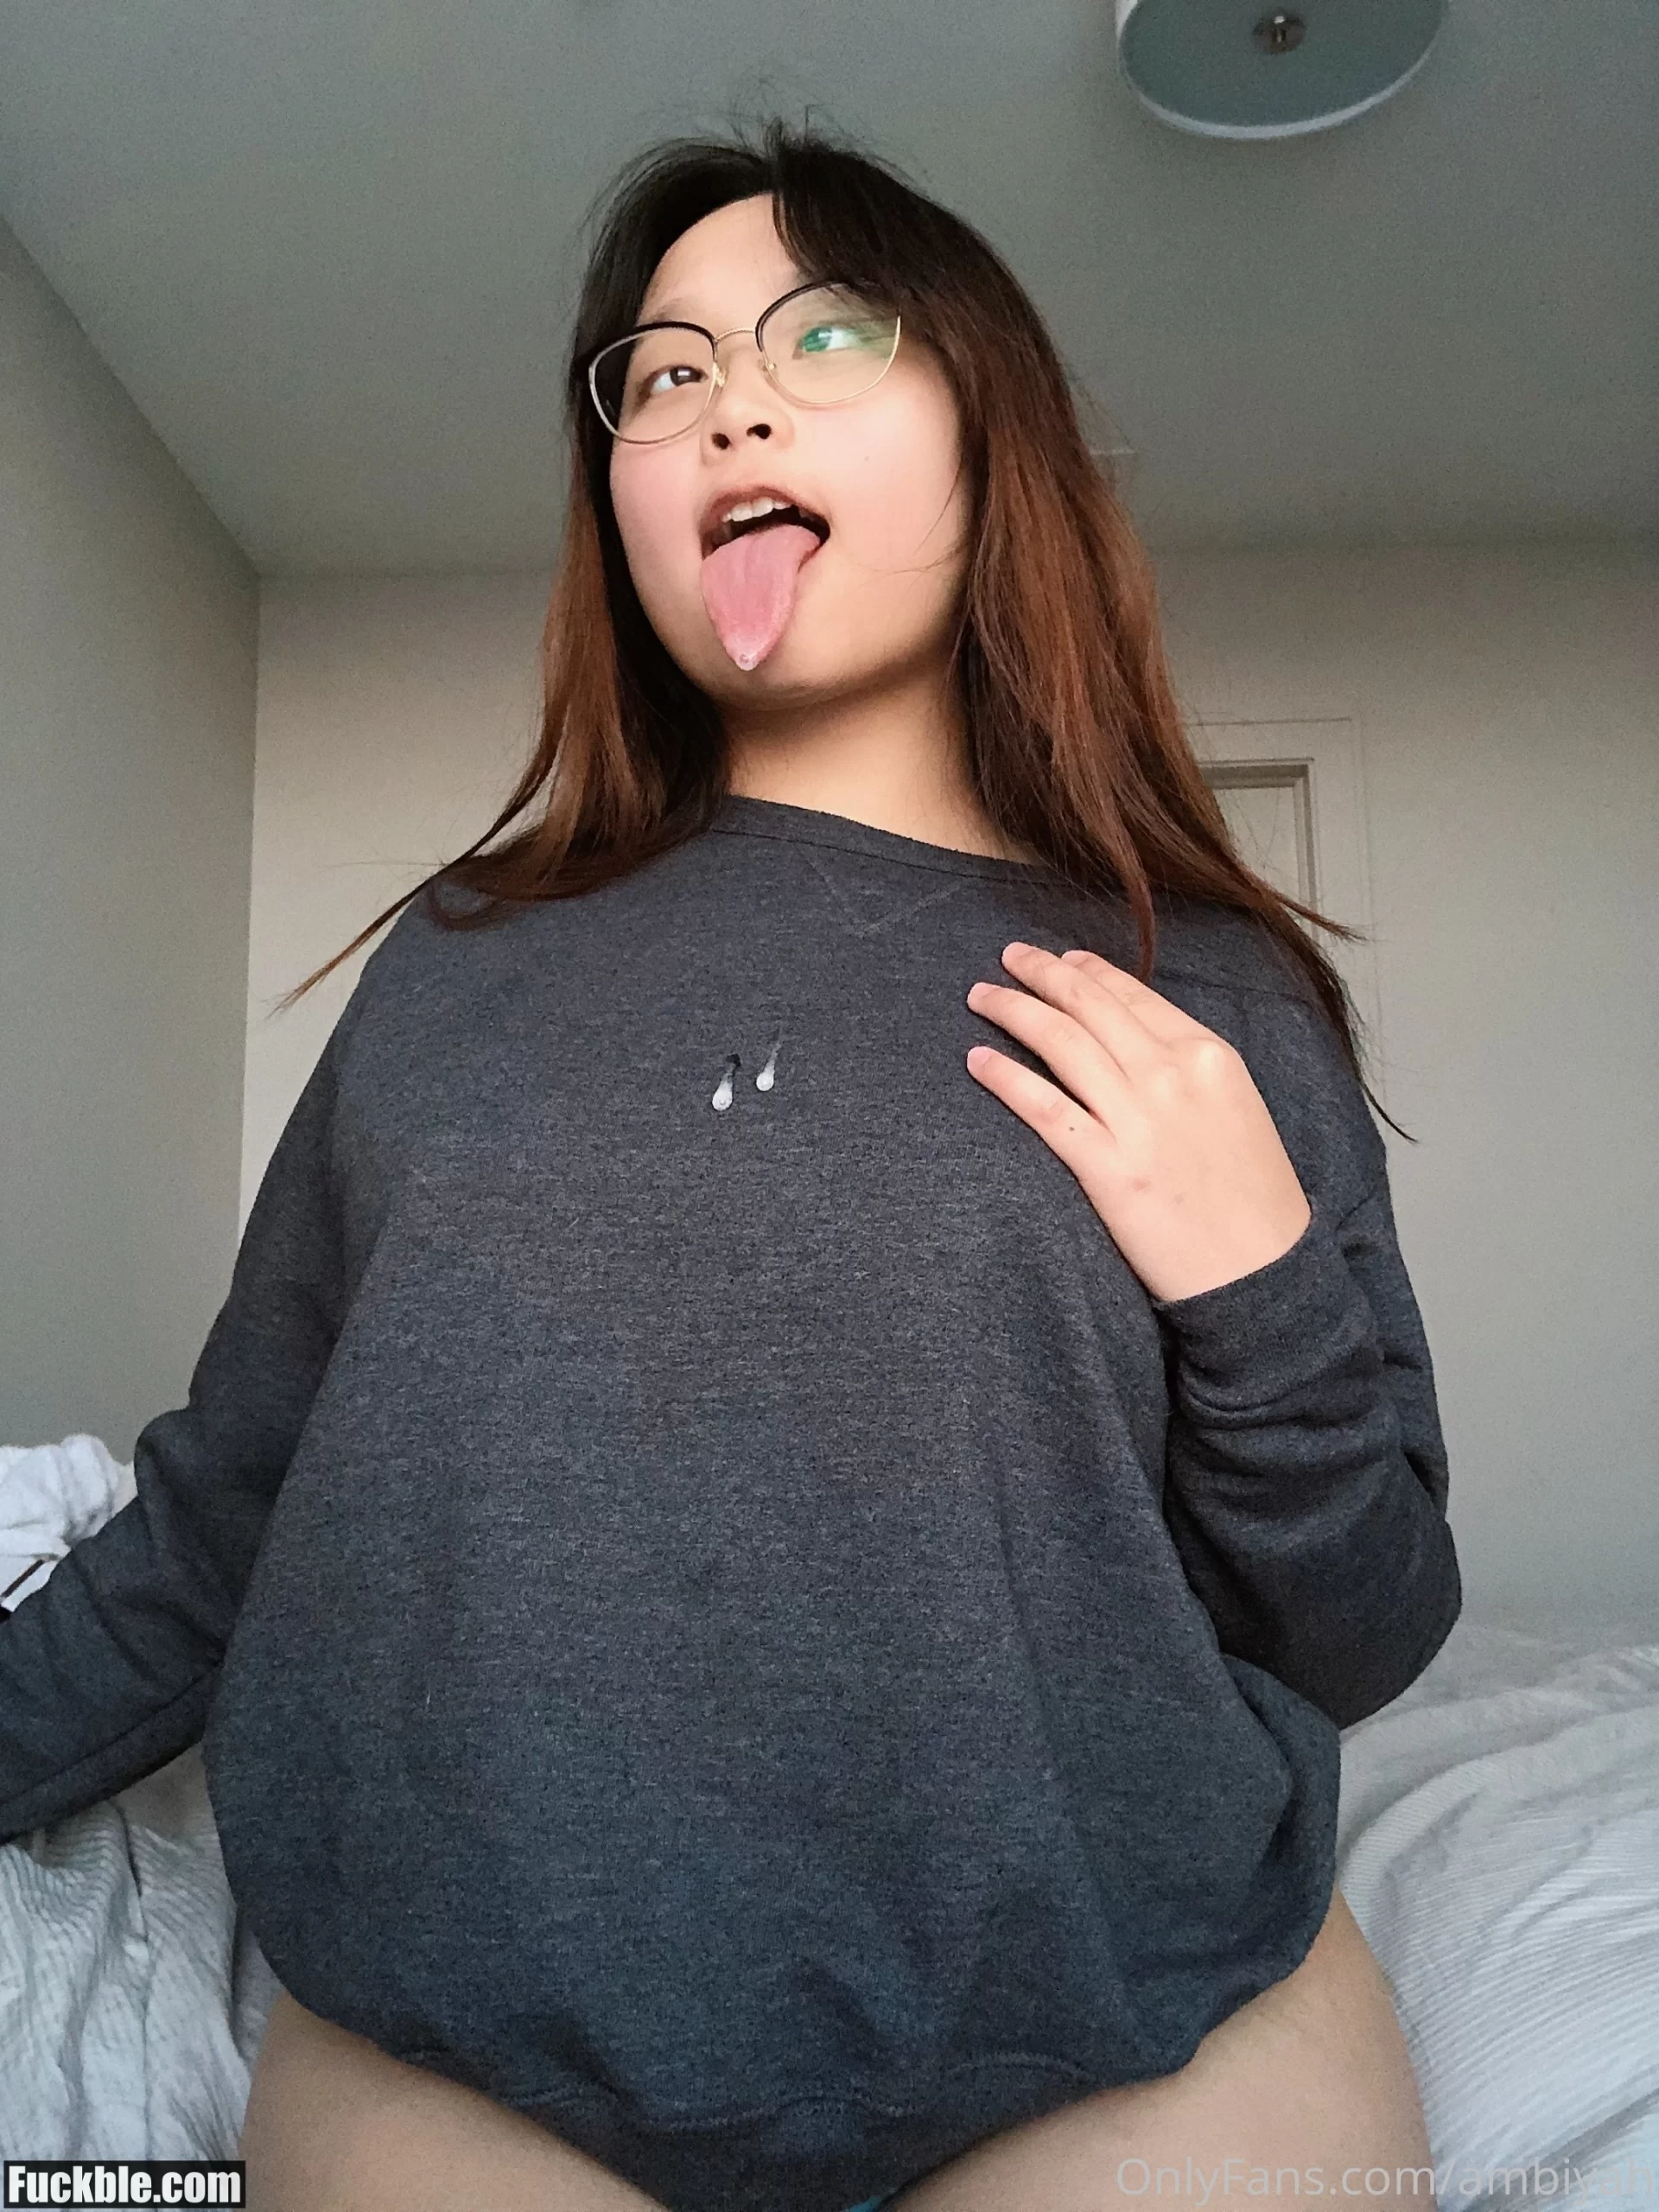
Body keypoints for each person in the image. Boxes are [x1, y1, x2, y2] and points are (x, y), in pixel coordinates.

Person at [0, 116, 1459, 2212]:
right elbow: (231, 1506)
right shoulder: (462, 963)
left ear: (998, 436)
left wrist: (1260, 1290)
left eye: (829, 335)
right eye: (663, 371)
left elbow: (1365, 1627)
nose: (728, 402)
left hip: (1138, 2007)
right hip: (471, 2039)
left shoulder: (1206, 987)